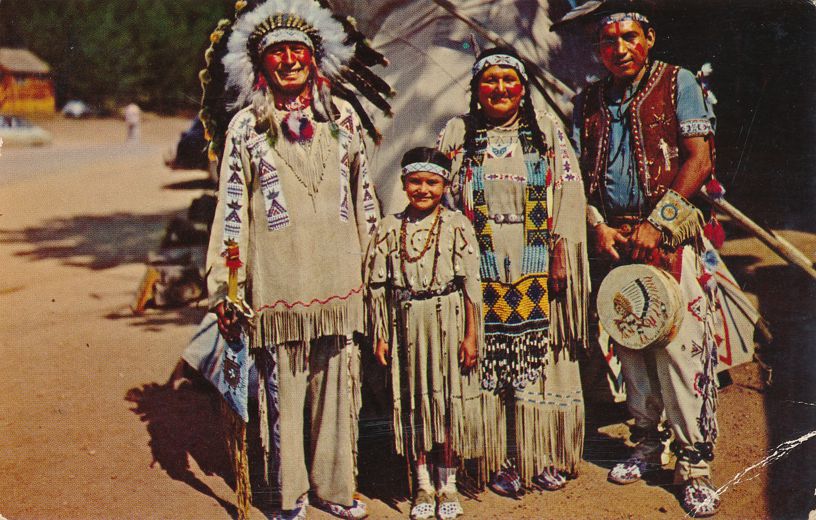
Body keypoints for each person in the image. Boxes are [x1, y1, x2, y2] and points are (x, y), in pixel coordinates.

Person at [205, 1, 381, 518]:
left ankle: (335, 489)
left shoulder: (342, 117)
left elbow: (364, 197)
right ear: (260, 64)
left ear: (315, 58)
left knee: (337, 391)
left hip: (339, 280)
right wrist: (227, 288)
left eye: (296, 51)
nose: (288, 61)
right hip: (278, 283)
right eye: (276, 53)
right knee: (282, 394)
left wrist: (375, 268)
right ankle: (290, 496)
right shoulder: (247, 126)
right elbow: (231, 212)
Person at [569, 2, 722, 516]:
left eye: (629, 37)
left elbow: (700, 158)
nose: (620, 48)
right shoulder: (588, 99)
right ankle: (647, 443)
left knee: (679, 347)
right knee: (631, 340)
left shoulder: (678, 82)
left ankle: (694, 464)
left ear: (648, 38)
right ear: (598, 49)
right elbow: (578, 175)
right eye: (609, 41)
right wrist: (598, 226)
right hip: (616, 239)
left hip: (669, 236)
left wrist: (658, 223)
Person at [437, 47, 590, 496]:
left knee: (539, 358)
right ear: (476, 88)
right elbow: (438, 195)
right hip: (477, 261)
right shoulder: (459, 132)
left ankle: (539, 455)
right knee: (486, 360)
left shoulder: (544, 130)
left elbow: (570, 189)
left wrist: (560, 251)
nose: (500, 88)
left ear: (522, 88)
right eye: (490, 80)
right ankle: (494, 459)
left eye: (509, 80)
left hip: (535, 258)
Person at [364, 147, 483, 520]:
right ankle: (422, 485)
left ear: (444, 185)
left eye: (432, 182)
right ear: (403, 183)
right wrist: (381, 334)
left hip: (448, 321)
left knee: (446, 402)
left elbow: (471, 286)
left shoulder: (457, 225)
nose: (423, 190)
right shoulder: (389, 227)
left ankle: (448, 482)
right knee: (414, 400)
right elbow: (377, 288)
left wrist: (471, 336)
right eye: (415, 182)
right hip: (406, 324)